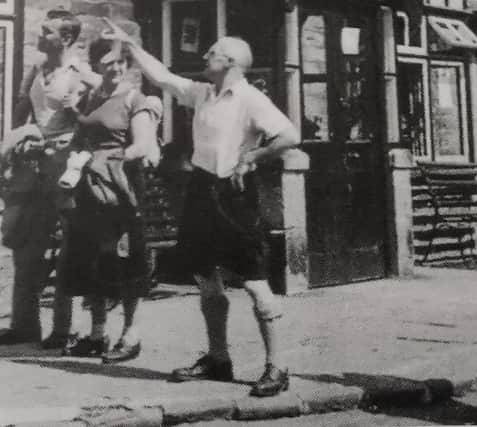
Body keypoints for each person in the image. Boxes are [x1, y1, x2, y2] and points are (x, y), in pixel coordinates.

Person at [102, 18, 299, 397]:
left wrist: (252, 157)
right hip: (201, 191)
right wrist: (130, 45)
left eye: (213, 52)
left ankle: (278, 366)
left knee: (255, 283)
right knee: (206, 279)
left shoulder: (250, 98)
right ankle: (218, 358)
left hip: (235, 197)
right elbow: (162, 76)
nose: (206, 55)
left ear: (231, 63)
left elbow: (290, 135)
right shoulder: (203, 93)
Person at [0, 9, 100, 348]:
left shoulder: (83, 74)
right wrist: (16, 144)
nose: (40, 37)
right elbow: (20, 114)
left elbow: (90, 122)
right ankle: (24, 325)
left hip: (63, 168)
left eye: (47, 32)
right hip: (31, 168)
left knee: (67, 249)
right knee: (26, 244)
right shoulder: (36, 70)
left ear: (67, 38)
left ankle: (63, 329)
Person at [57, 37, 161, 363]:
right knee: (92, 257)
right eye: (109, 62)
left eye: (121, 62)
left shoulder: (134, 99)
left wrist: (109, 160)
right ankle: (97, 334)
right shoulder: (91, 97)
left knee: (124, 258)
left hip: (121, 189)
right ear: (98, 63)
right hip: (88, 187)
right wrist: (75, 156)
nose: (116, 68)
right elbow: (79, 137)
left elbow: (142, 145)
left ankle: (131, 335)